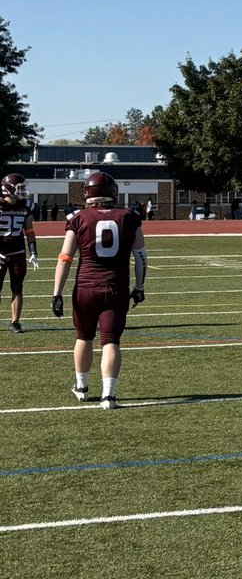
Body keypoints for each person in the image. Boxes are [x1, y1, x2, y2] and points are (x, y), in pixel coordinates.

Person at [50, 171, 146, 409]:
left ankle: (82, 387)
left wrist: (57, 293)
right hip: (116, 288)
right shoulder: (129, 217)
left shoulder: (78, 218)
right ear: (113, 192)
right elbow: (141, 258)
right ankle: (108, 395)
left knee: (83, 336)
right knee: (111, 341)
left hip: (86, 288)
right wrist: (140, 287)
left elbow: (65, 258)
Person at [1, 173, 39, 333]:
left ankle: (15, 322)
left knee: (17, 288)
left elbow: (29, 230)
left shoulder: (26, 206)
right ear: (9, 188)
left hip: (18, 252)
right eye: (20, 188)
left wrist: (33, 251)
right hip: (0, 253)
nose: (23, 191)